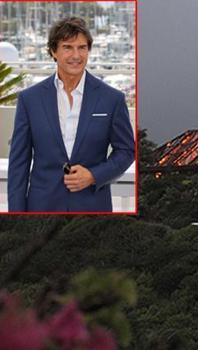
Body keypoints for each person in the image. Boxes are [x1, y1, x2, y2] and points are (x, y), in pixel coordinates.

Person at [7, 17, 135, 212]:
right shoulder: (29, 100)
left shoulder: (112, 99)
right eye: (68, 47)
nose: (76, 55)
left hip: (93, 210)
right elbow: (18, 165)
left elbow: (127, 151)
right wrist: (16, 216)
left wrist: (93, 175)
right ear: (53, 51)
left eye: (82, 47)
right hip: (42, 209)